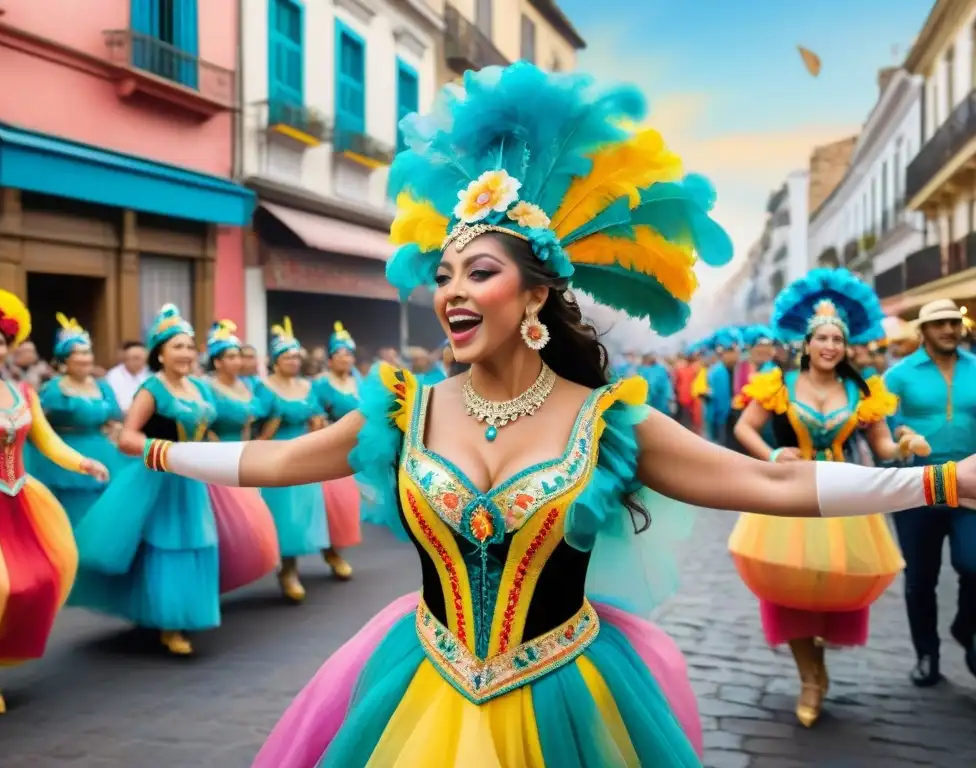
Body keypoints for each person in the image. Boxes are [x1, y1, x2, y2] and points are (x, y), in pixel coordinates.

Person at [122, 63, 976, 766]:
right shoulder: (402, 410)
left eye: (479, 273)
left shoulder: (608, 423)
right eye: (444, 275)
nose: (452, 291)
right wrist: (151, 449)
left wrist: (943, 481)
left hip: (565, 696)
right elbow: (275, 462)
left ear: (534, 295)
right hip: (424, 688)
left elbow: (768, 483)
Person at [729, 268, 929, 727]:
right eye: (822, 338)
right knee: (789, 586)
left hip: (842, 494)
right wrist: (772, 453)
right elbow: (744, 427)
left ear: (846, 345)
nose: (830, 346)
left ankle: (818, 662)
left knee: (828, 584)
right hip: (792, 494)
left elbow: (882, 447)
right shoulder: (778, 383)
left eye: (837, 339)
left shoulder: (862, 390)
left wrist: (904, 444)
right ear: (807, 343)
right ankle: (809, 678)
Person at [72, 304, 278, 656]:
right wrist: (167, 451)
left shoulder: (199, 388)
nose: (185, 353)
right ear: (160, 354)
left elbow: (210, 429)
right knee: (167, 543)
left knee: (201, 539)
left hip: (198, 476)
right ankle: (170, 622)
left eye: (188, 346)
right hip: (160, 477)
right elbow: (127, 437)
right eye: (176, 346)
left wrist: (227, 455)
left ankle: (181, 611)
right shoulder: (152, 388)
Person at [0, 286, 109, 713]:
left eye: (0, 342)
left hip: (18, 500)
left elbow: (48, 441)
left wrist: (84, 463)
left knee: (33, 580)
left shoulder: (23, 392)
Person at [884, 298, 976, 685]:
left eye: (954, 323)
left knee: (973, 564)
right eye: (939, 324)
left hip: (970, 486)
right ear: (923, 330)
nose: (949, 330)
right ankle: (927, 654)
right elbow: (884, 425)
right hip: (916, 486)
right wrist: (901, 434)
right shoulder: (898, 375)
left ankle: (965, 628)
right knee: (920, 578)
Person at [27, 313, 128, 531]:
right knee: (75, 519)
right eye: (78, 353)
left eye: (87, 352)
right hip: (67, 458)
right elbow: (37, 425)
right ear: (65, 359)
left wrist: (117, 433)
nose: (85, 358)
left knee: (104, 519)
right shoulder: (53, 390)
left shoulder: (103, 386)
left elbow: (115, 418)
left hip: (104, 453)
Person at [257, 318, 329, 601]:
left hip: (303, 453)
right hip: (275, 453)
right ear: (275, 361)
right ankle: (280, 566)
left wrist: (319, 425)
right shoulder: (264, 387)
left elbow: (317, 416)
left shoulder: (307, 387)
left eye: (297, 357)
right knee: (279, 512)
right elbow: (255, 422)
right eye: (288, 357)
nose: (294, 362)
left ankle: (293, 568)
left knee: (300, 513)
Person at [311, 321, 364, 580]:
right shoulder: (320, 385)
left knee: (348, 506)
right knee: (332, 502)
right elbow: (315, 417)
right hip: (329, 448)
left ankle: (336, 550)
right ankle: (330, 552)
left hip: (357, 450)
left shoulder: (360, 382)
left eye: (349, 354)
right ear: (330, 359)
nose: (346, 358)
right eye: (340, 354)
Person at [703, 327, 741, 446]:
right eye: (729, 351)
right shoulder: (715, 373)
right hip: (722, 420)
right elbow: (713, 402)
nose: (733, 354)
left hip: (740, 418)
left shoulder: (743, 369)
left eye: (734, 350)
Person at [104, 340, 149, 411]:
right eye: (133, 358)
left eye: (138, 358)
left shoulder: (151, 373)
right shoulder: (114, 375)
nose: (132, 361)